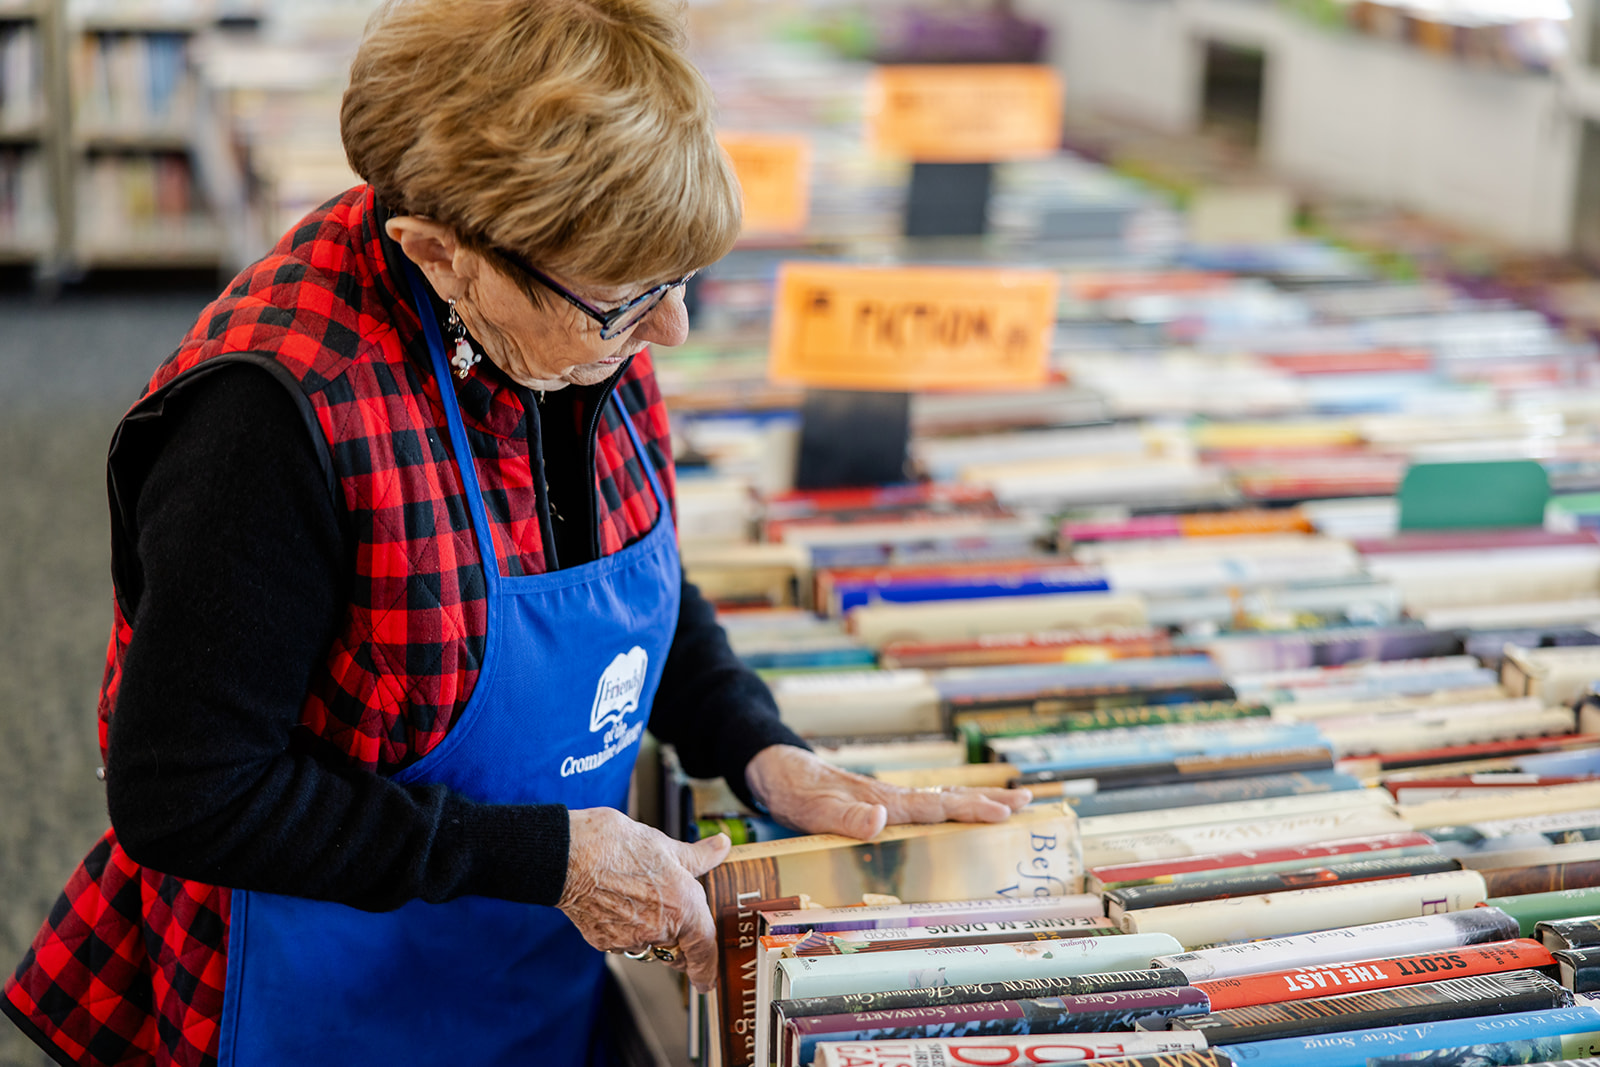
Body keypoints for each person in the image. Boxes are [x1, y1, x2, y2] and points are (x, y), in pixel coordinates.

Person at [2, 2, 1031, 1065]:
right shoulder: (270, 420)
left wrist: (757, 747)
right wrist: (549, 856)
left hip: (518, 962)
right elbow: (185, 794)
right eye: (629, 301)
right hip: (321, 997)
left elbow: (632, 578)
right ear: (440, 254)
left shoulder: (571, 319)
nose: (668, 330)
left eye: (682, 282)